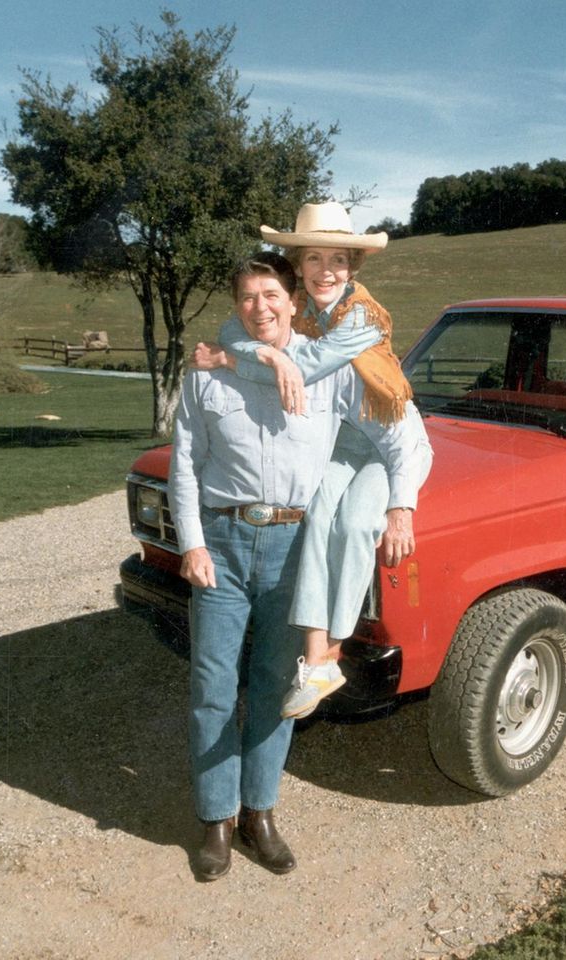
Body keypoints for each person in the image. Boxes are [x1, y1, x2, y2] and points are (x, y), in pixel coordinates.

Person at [170, 252, 425, 881]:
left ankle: (259, 814)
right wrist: (193, 544)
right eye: (248, 297)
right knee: (211, 687)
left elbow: (400, 436)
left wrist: (400, 506)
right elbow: (184, 464)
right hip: (223, 548)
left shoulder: (332, 373)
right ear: (237, 308)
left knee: (277, 687)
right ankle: (215, 822)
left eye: (271, 295)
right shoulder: (207, 373)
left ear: (292, 301)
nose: (261, 307)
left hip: (292, 551)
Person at [190, 201, 432, 721]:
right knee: (317, 517)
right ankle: (315, 661)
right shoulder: (296, 306)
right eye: (315, 259)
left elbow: (310, 363)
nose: (328, 271)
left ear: (354, 266)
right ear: (297, 267)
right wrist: (269, 353)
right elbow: (236, 327)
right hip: (345, 440)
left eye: (339, 260)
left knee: (353, 522)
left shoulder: (364, 316)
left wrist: (401, 507)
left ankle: (334, 653)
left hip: (393, 440)